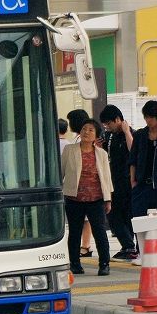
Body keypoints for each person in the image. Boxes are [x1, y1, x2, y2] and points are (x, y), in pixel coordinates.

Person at [62, 119, 114, 276]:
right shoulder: (69, 150)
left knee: (100, 232)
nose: (86, 132)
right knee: (75, 232)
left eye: (91, 130)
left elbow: (106, 177)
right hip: (74, 198)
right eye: (84, 129)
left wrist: (108, 199)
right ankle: (75, 264)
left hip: (96, 199)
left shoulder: (102, 154)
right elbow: (61, 171)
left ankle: (104, 264)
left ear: (96, 135)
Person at [100, 105, 138, 260]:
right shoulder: (108, 136)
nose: (107, 127)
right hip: (113, 181)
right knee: (114, 216)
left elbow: (133, 151)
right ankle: (127, 245)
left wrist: (127, 131)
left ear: (118, 119)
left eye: (109, 123)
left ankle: (130, 246)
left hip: (127, 182)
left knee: (127, 215)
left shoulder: (132, 133)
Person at [129, 100, 157, 217]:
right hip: (141, 185)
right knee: (139, 221)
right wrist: (133, 181)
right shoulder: (139, 135)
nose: (148, 120)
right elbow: (133, 160)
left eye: (151, 117)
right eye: (146, 117)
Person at [66, 109, 94, 257]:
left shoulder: (81, 140)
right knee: (85, 220)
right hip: (82, 187)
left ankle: (85, 245)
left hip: (83, 186)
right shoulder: (78, 139)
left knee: (83, 220)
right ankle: (85, 245)